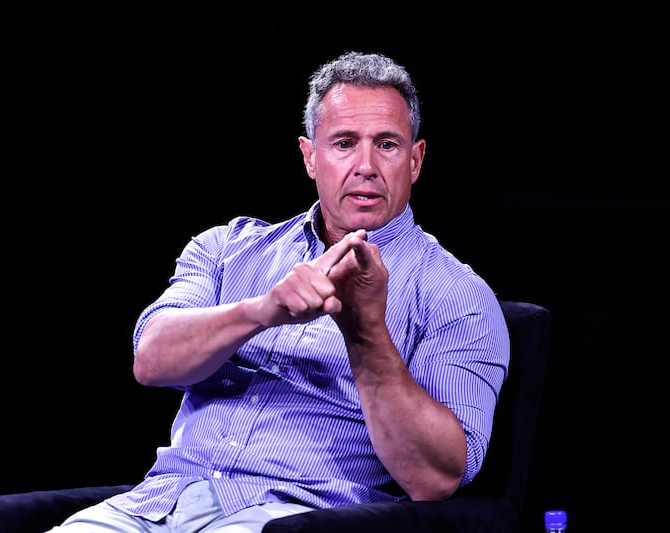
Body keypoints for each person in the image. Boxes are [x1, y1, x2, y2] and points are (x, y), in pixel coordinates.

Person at [48, 50, 510, 532]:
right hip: (158, 503)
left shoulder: (457, 295)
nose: (366, 166)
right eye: (345, 143)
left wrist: (366, 333)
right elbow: (152, 361)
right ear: (311, 157)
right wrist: (263, 311)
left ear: (415, 160)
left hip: (296, 519)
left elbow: (434, 478)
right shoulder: (228, 248)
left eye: (388, 145)